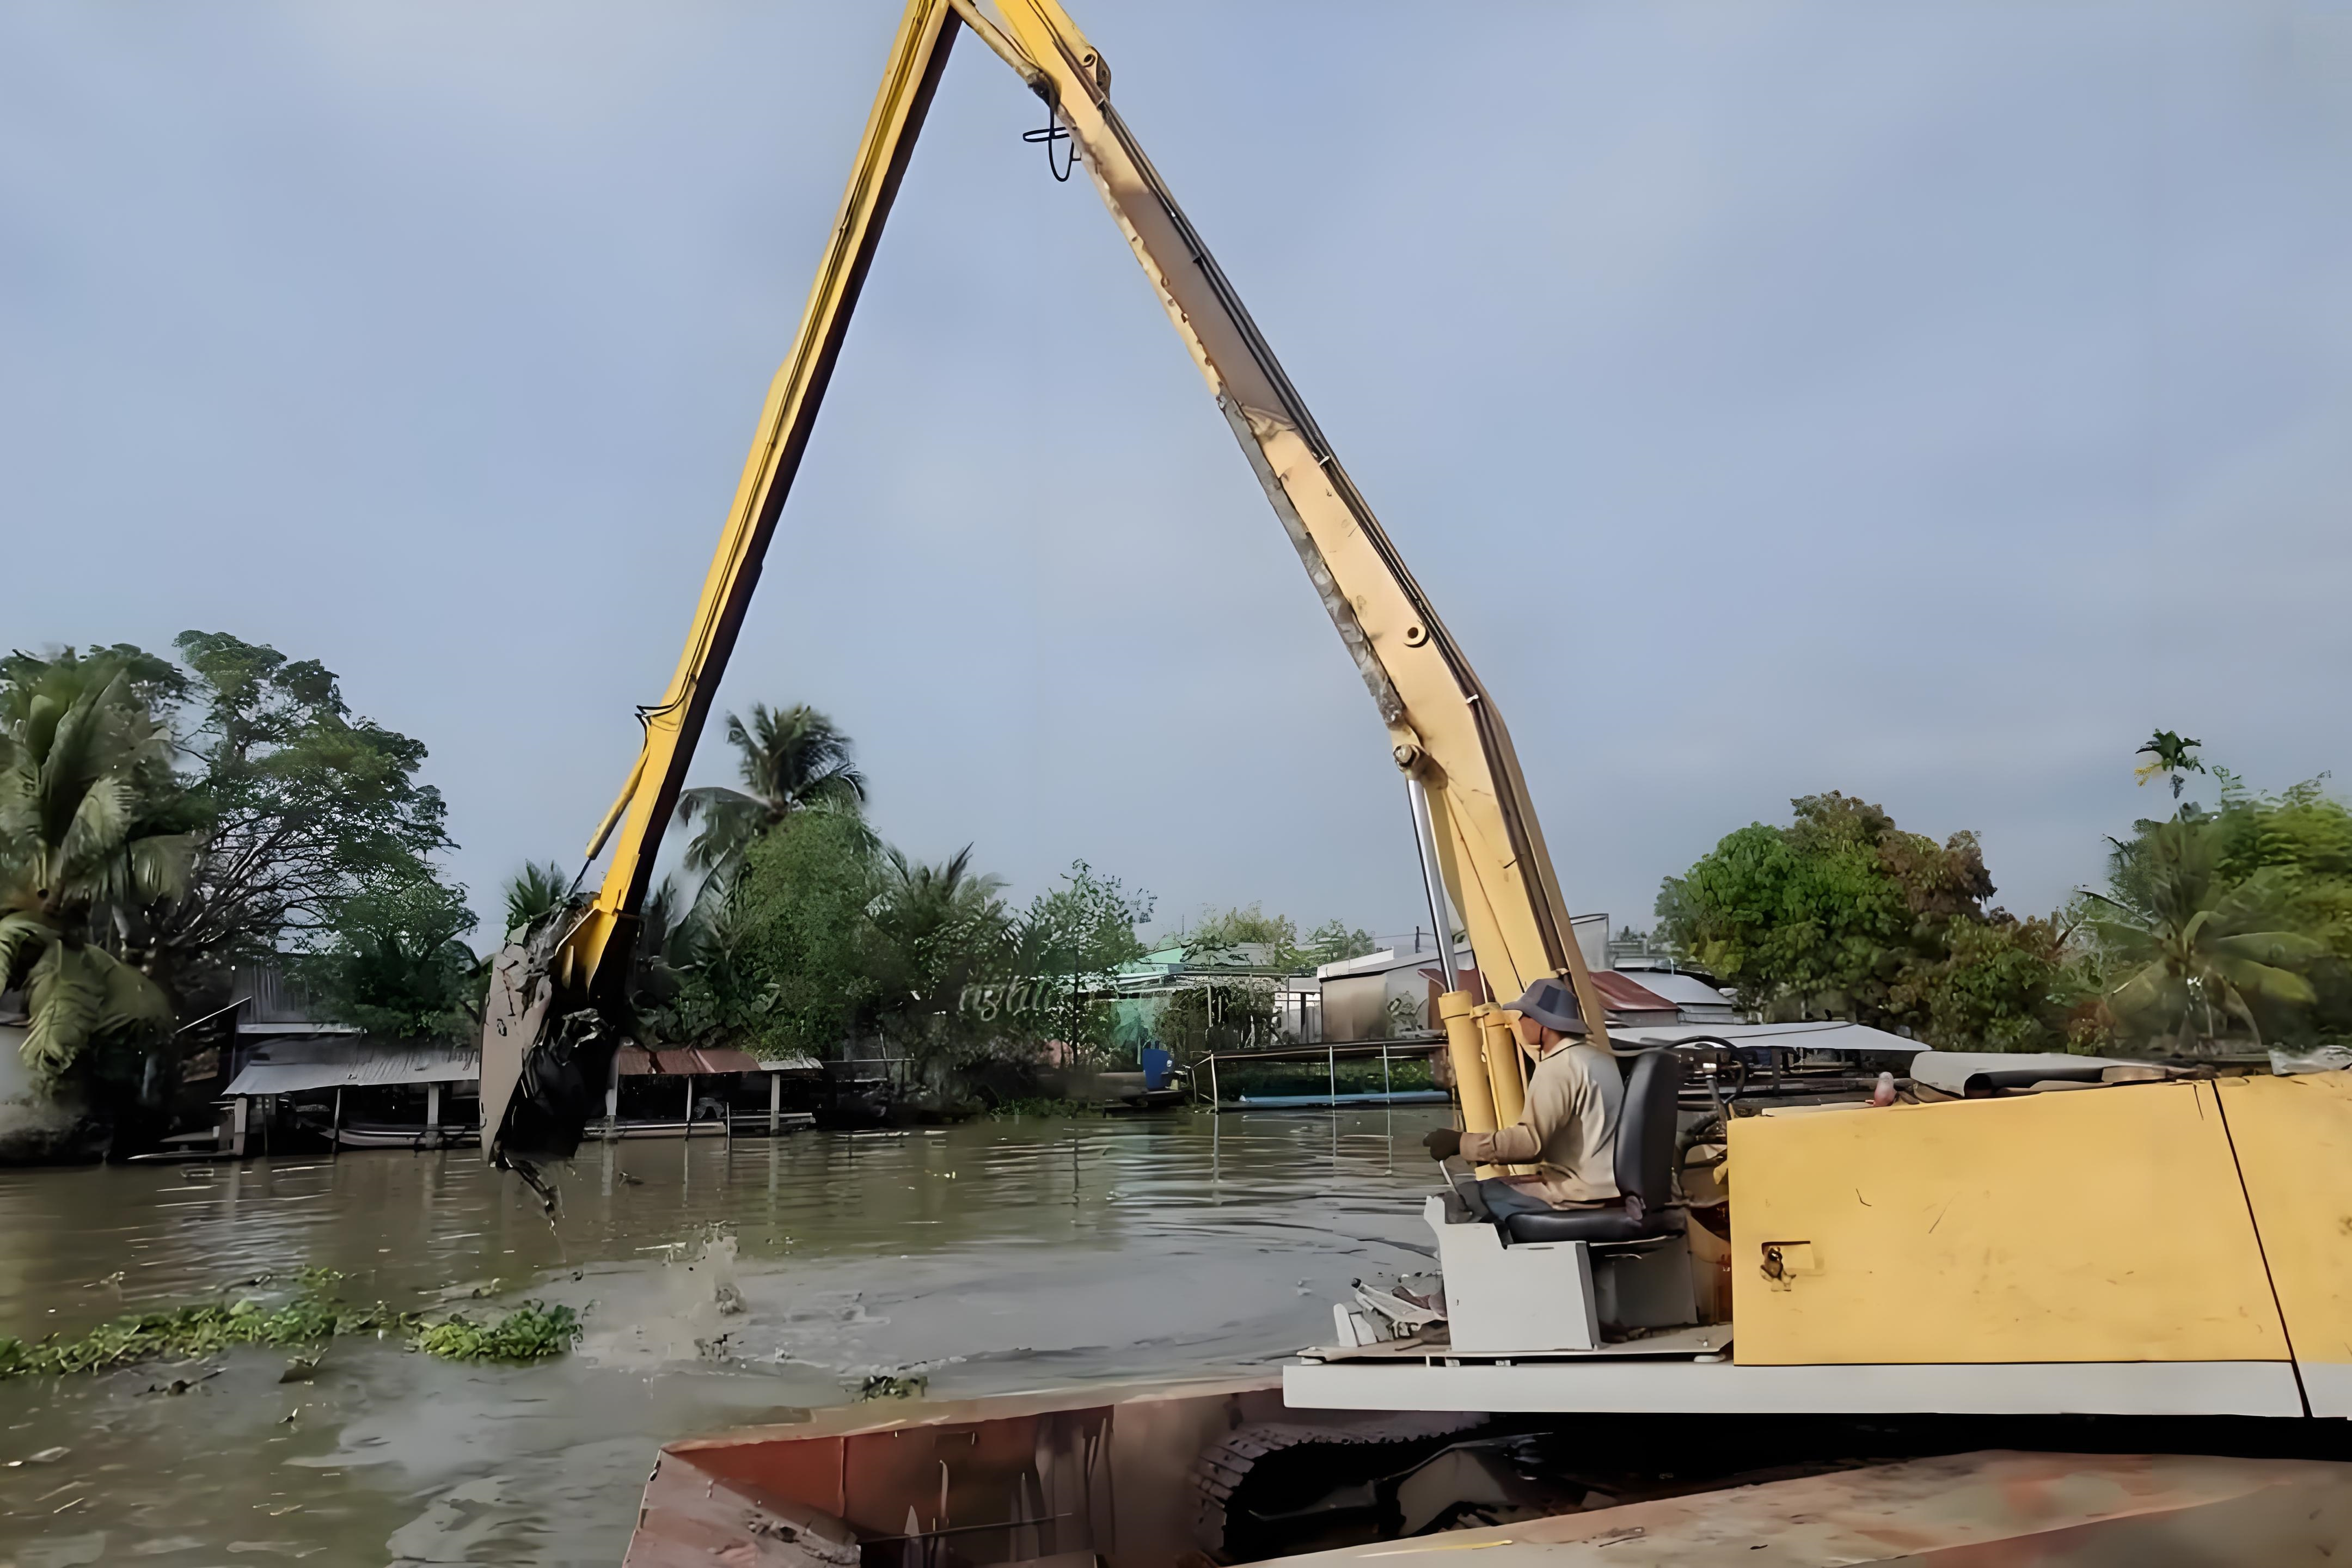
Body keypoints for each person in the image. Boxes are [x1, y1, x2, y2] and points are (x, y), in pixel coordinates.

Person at [1422, 977, 1622, 1223]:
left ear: (1542, 1023)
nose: (1520, 1021)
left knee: (1466, 1200)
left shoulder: (1558, 1067)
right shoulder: (1601, 1060)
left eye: (1524, 1016)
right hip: (1615, 1187)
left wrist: (1461, 1142)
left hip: (1583, 1194)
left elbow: (1530, 1145)